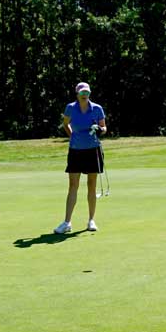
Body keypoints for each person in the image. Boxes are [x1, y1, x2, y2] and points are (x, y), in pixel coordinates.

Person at [55, 82, 107, 234]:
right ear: (77, 94)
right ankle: (67, 222)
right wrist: (73, 137)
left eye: (87, 92)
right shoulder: (70, 108)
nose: (85, 95)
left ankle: (91, 220)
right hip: (76, 150)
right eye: (82, 93)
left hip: (93, 150)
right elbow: (66, 124)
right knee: (73, 185)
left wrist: (100, 129)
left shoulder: (97, 108)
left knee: (91, 185)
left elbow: (104, 128)